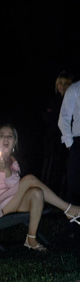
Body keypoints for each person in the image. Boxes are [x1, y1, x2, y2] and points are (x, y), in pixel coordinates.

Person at [0, 124, 80, 252]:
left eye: (10, 136)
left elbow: (14, 185)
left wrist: (6, 169)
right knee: (29, 179)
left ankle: (31, 239)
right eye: (2, 136)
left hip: (10, 201)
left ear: (15, 141)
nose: (6, 139)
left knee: (36, 193)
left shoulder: (14, 162)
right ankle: (68, 209)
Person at [41, 71, 73, 195]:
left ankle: (60, 197)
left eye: (65, 83)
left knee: (63, 171)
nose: (62, 86)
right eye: (60, 83)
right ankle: (46, 197)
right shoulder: (53, 99)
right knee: (49, 169)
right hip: (52, 141)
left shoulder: (72, 101)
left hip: (66, 142)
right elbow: (46, 117)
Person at [58, 78, 80, 211]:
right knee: (76, 186)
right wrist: (71, 144)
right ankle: (75, 221)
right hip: (78, 142)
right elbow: (64, 118)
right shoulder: (75, 89)